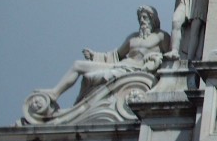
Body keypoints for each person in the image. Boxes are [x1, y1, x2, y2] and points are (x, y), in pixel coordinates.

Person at [35, 6, 170, 104]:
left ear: (153, 19)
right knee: (78, 65)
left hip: (135, 71)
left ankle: (81, 105)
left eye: (145, 17)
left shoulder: (161, 36)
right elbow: (115, 55)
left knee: (90, 77)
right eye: (140, 17)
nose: (142, 20)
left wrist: (155, 58)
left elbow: (169, 58)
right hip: (120, 66)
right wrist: (94, 55)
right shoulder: (133, 38)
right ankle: (55, 93)